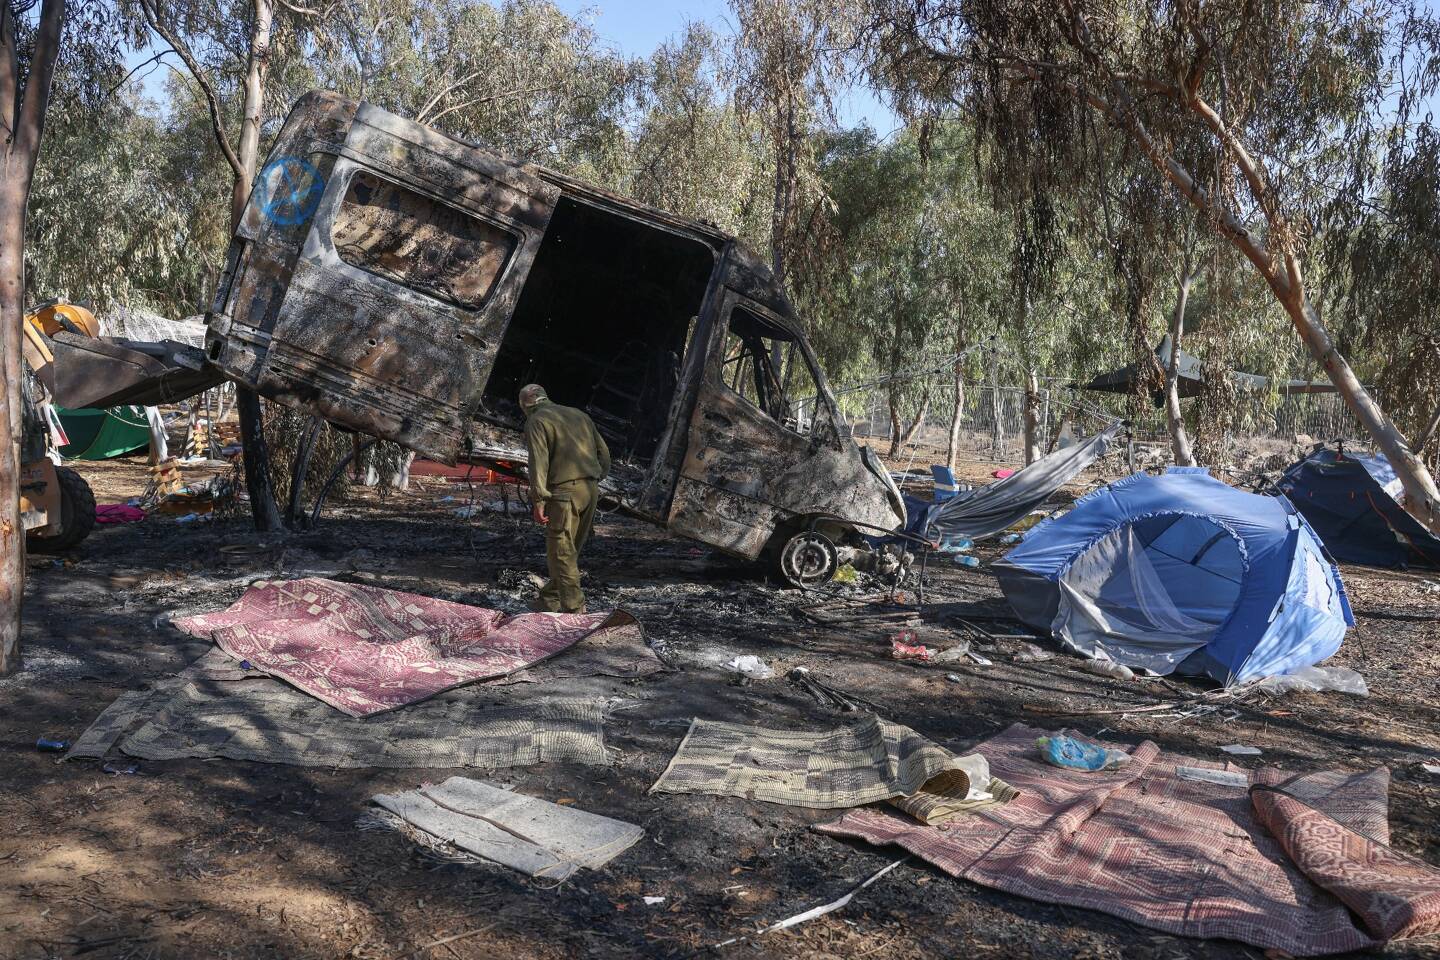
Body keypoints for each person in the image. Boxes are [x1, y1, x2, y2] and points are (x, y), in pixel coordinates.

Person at [519, 384, 611, 613]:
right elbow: (605, 454)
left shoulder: (537, 421)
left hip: (564, 495)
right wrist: (594, 477)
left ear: (525, 405)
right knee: (570, 552)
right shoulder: (579, 415)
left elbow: (538, 464)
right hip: (589, 491)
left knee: (561, 553)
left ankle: (574, 609)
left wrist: (538, 500)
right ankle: (549, 600)